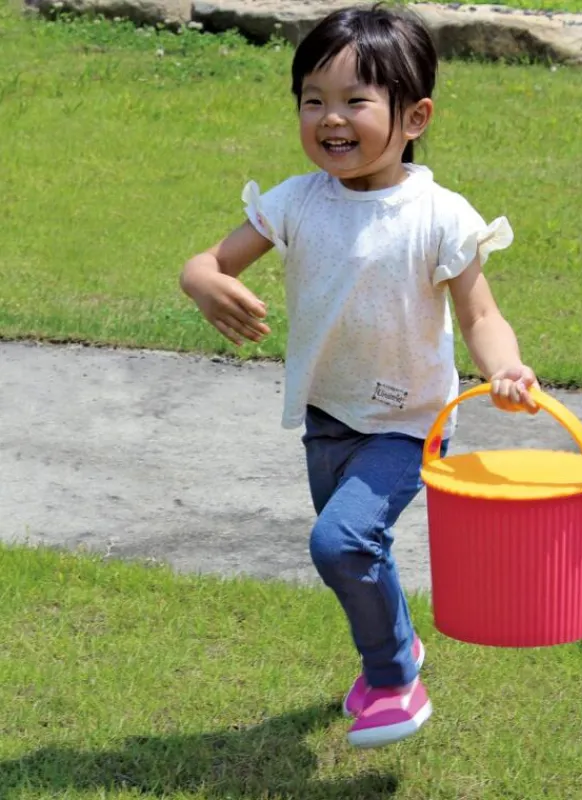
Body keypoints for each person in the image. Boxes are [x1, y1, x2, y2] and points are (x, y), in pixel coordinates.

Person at [179, 2, 540, 749]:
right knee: (353, 553)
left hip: (410, 423)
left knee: (340, 544)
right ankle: (400, 643)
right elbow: (211, 261)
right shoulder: (296, 201)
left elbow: (480, 316)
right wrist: (201, 281)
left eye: (355, 101)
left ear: (414, 117)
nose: (330, 119)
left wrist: (506, 369)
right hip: (328, 414)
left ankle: (393, 680)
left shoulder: (438, 215)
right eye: (312, 100)